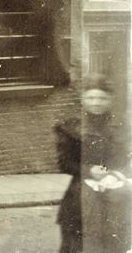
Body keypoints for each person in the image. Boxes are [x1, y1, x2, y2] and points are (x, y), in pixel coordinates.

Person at [54, 74, 130, 253]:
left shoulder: (121, 126)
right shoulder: (70, 126)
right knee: (76, 245)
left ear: (110, 99)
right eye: (91, 97)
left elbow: (126, 159)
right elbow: (64, 163)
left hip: (114, 195)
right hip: (80, 196)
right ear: (83, 98)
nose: (96, 102)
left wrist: (116, 174)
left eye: (102, 98)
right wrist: (89, 170)